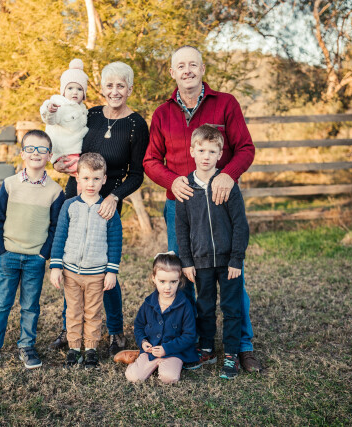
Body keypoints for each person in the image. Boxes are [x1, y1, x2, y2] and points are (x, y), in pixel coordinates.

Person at [142, 45, 261, 372]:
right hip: (181, 207)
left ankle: (243, 345)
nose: (187, 70)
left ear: (203, 68)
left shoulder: (226, 103)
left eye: (193, 64)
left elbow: (246, 148)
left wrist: (228, 174)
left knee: (232, 275)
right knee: (186, 274)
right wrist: (171, 181)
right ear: (172, 72)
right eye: (181, 66)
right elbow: (150, 160)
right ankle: (192, 343)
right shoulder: (162, 113)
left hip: (220, 203)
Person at [51, 61, 149, 357]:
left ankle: (116, 331)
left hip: (107, 202)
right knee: (72, 263)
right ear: (102, 88)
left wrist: (115, 197)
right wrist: (60, 162)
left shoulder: (136, 125)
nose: (115, 91)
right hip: (76, 194)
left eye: (121, 85)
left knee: (104, 267)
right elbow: (66, 139)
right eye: (109, 85)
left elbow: (137, 174)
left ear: (130, 89)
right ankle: (70, 329)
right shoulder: (89, 114)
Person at [0, 130, 66, 371]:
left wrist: (44, 254)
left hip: (35, 258)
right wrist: (0, 249)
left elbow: (56, 227)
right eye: (30, 148)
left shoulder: (55, 191)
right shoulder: (10, 184)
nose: (36, 153)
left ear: (50, 155)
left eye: (42, 149)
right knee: (1, 303)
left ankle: (27, 346)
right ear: (22, 153)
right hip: (9, 255)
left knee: (30, 306)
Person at [175, 125, 250, 379]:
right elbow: (181, 229)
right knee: (204, 306)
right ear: (192, 151)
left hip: (229, 262)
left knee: (231, 308)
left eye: (212, 151)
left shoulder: (228, 186)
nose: (206, 156)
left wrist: (236, 259)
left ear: (220, 154)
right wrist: (186, 261)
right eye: (201, 150)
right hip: (200, 261)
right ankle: (207, 348)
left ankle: (231, 354)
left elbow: (240, 225)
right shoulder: (185, 188)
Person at [50, 153, 123, 368]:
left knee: (93, 312)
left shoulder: (108, 209)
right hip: (71, 271)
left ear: (104, 179)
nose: (91, 184)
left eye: (96, 179)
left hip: (97, 273)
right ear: (77, 179)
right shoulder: (70, 205)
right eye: (86, 178)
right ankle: (74, 348)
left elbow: (115, 241)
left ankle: (91, 349)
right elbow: (60, 236)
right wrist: (56, 267)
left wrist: (111, 271)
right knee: (73, 311)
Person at [125, 252, 199, 384]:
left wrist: (167, 349)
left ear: (180, 280)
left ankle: (161, 363)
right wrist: (143, 341)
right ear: (154, 278)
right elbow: (139, 326)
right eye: (162, 281)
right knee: (133, 377)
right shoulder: (148, 303)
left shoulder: (185, 305)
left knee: (169, 378)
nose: (168, 287)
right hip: (150, 351)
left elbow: (189, 335)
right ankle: (137, 356)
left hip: (174, 352)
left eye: (173, 282)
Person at [39, 58, 89, 175]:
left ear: (84, 93)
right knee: (86, 172)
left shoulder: (82, 108)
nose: (75, 92)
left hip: (76, 152)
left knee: (84, 174)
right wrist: (50, 110)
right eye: (70, 88)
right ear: (63, 91)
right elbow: (49, 119)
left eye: (79, 89)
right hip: (63, 154)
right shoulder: (59, 104)